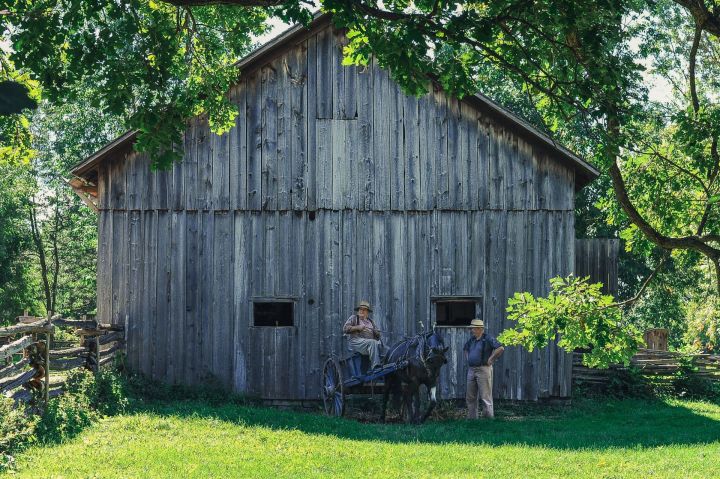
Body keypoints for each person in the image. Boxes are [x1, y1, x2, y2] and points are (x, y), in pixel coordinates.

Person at [463, 318, 504, 419]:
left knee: (485, 396)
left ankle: (488, 419)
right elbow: (465, 349)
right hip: (472, 370)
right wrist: (469, 359)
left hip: (483, 369)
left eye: (473, 328)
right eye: (471, 328)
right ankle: (472, 418)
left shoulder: (488, 338)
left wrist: (491, 359)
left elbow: (500, 348)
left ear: (479, 329)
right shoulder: (472, 340)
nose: (472, 330)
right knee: (470, 396)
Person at [343, 300, 383, 372]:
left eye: (364, 310)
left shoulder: (371, 321)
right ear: (358, 311)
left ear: (367, 312)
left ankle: (386, 370)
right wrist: (357, 327)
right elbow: (345, 329)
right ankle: (376, 366)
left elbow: (378, 335)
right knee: (372, 342)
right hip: (356, 341)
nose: (362, 311)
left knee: (385, 348)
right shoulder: (354, 318)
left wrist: (377, 333)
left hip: (368, 344)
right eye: (360, 309)